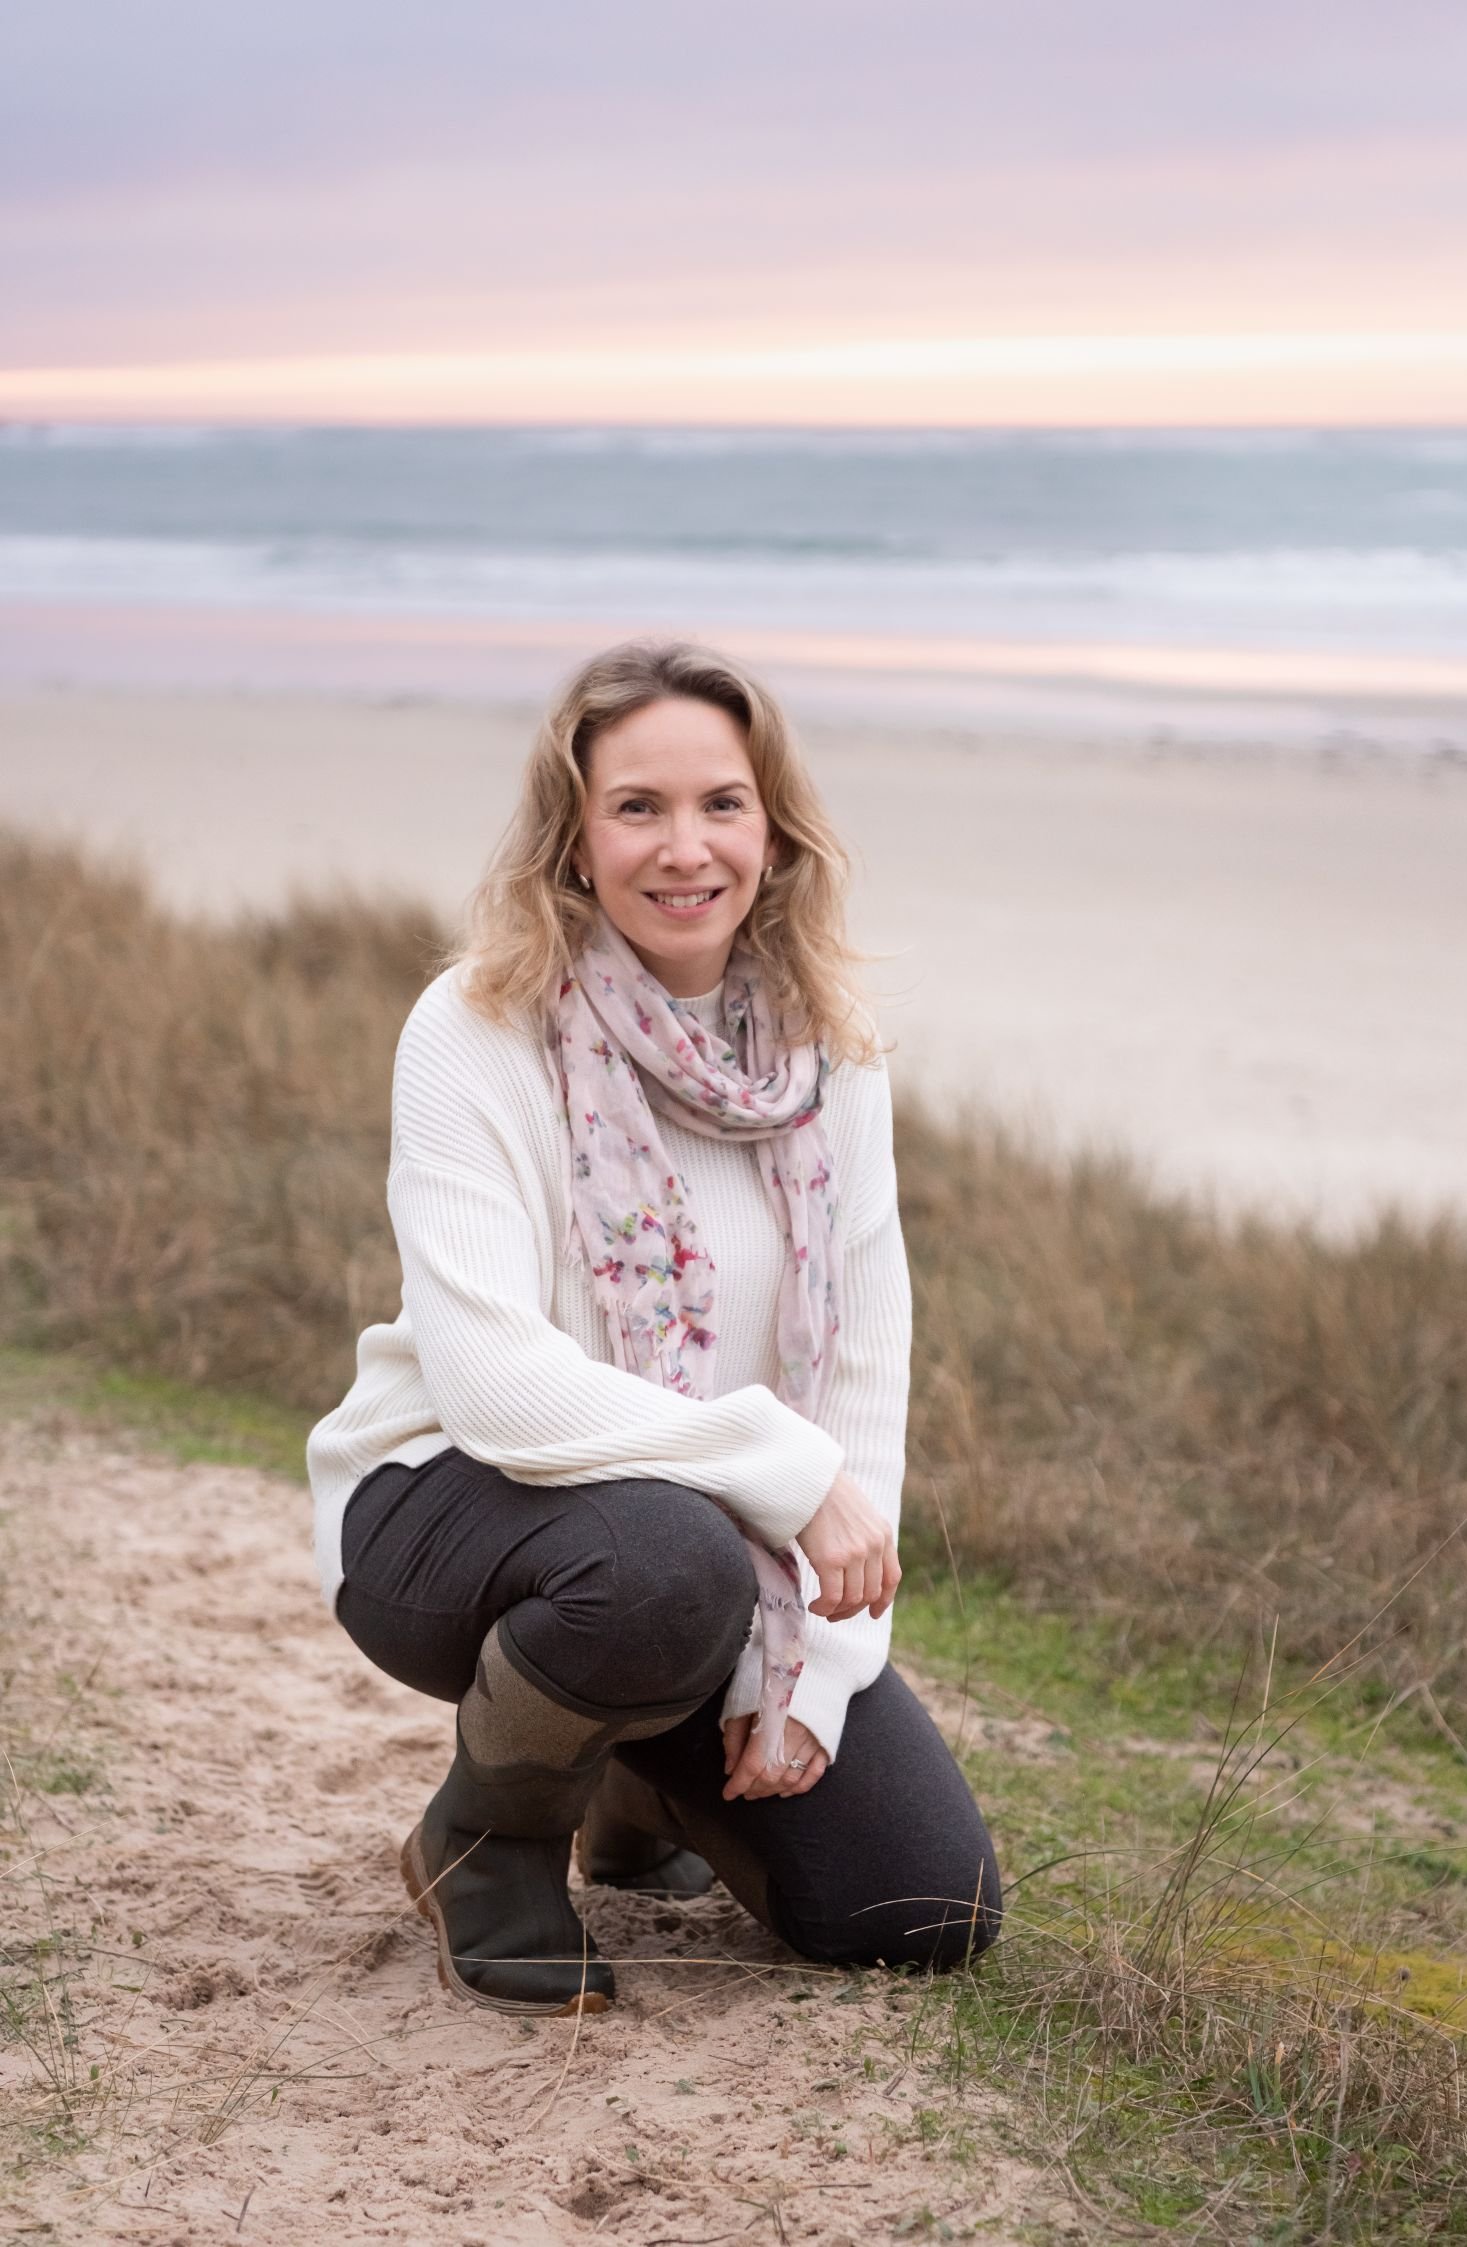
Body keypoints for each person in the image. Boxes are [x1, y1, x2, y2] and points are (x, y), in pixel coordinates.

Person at [307, 639, 1001, 2016]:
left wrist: (816, 1674)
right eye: (637, 807)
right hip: (451, 1504)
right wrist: (785, 1474)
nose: (686, 848)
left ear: (773, 828)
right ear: (574, 838)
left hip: (703, 1556)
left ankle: (632, 1773)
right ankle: (488, 1844)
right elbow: (498, 1387)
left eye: (722, 804)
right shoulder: (477, 1026)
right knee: (661, 1562)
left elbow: (865, 1377)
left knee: (920, 1906)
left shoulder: (830, 1051)